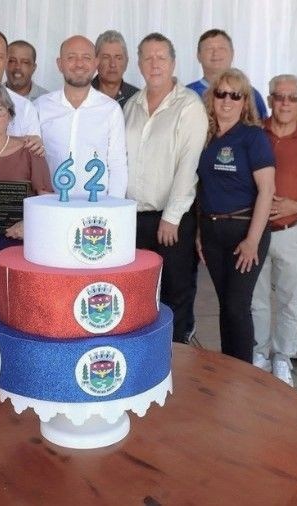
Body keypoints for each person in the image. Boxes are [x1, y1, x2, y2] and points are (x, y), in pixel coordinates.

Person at [124, 33, 208, 345]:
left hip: (171, 220)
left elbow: (189, 164)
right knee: (139, 292)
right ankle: (145, 355)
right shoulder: (131, 105)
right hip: (133, 217)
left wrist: (171, 217)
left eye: (161, 57)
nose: (154, 63)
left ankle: (178, 355)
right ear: (139, 64)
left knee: (175, 292)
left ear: (173, 63)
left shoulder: (189, 105)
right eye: (147, 57)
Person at [249, 74, 297, 386]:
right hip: (256, 232)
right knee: (256, 299)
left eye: (292, 97)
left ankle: (282, 356)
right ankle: (259, 354)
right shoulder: (254, 134)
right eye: (279, 97)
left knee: (291, 300)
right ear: (269, 100)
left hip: (294, 231)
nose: (285, 103)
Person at [196, 68, 275, 363]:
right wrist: (200, 231)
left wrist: (252, 240)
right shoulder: (204, 136)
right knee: (225, 306)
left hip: (245, 231)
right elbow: (201, 187)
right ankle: (228, 369)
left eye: (235, 95)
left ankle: (244, 374)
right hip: (212, 231)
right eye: (221, 94)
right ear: (212, 97)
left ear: (245, 102)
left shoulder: (253, 137)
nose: (227, 101)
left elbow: (267, 190)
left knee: (237, 306)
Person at [0, 82, 52, 317]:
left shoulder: (30, 151)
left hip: (21, 245)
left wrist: (28, 224)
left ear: (10, 115)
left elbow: (47, 200)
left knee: (20, 313)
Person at [36, 35, 127, 198]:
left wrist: (113, 207)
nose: (79, 64)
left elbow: (117, 165)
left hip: (97, 208)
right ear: (59, 64)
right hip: (50, 206)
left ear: (96, 63)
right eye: (71, 57)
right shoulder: (40, 107)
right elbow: (30, 160)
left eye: (86, 58)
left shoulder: (111, 110)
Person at [186, 29, 268, 120]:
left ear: (232, 54)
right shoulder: (186, 94)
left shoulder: (250, 95)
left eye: (221, 48)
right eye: (209, 49)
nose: (215, 53)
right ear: (198, 56)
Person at [91, 30, 140, 108]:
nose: (112, 64)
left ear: (126, 62)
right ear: (96, 61)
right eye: (106, 57)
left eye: (118, 58)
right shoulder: (83, 94)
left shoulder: (138, 99)